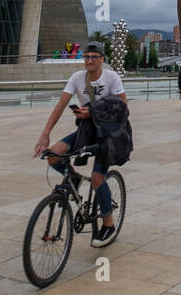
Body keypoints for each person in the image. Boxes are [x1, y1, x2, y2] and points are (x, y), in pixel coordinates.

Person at [33, 42, 125, 240]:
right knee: (54, 155)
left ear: (102, 59)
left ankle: (108, 224)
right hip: (87, 130)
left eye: (94, 57)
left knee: (98, 177)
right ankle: (73, 177)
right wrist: (45, 134)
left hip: (108, 133)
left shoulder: (111, 77)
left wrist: (92, 110)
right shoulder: (77, 78)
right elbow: (60, 105)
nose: (89, 61)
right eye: (86, 57)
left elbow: (123, 106)